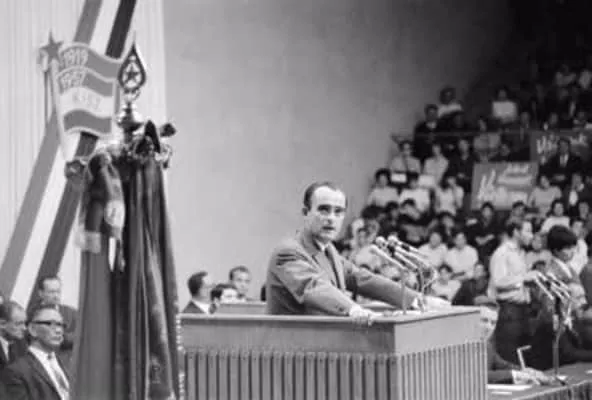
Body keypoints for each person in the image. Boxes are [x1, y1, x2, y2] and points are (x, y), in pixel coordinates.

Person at [266, 181, 450, 324]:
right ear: (305, 212)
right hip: (292, 350)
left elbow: (361, 278)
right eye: (323, 210)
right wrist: (353, 309)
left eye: (338, 212)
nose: (331, 218)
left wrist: (416, 300)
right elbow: (313, 286)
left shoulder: (328, 250)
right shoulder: (288, 252)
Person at [489, 220, 540, 363]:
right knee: (510, 355)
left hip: (523, 309)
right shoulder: (502, 253)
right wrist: (524, 279)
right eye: (528, 231)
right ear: (516, 232)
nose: (532, 235)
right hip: (509, 310)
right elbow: (498, 282)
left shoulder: (521, 253)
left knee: (523, 354)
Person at [475, 296, 549, 384]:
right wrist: (515, 375)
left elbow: (503, 365)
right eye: (484, 320)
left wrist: (526, 372)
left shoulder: (487, 346)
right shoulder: (462, 345)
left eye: (493, 323)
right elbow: (476, 375)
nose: (489, 327)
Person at [1, 305, 70, 400]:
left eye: (61, 325)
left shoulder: (67, 364)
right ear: (32, 329)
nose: (58, 330)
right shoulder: (16, 372)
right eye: (50, 324)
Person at [29, 276, 76, 370]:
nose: (56, 295)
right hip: (42, 366)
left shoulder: (71, 313)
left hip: (67, 366)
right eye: (51, 292)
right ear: (41, 293)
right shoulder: (31, 313)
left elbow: (81, 336)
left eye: (58, 291)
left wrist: (62, 338)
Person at [0, 301, 27, 370]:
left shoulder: (21, 343)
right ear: (2, 324)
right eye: (19, 324)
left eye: (24, 323)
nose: (24, 328)